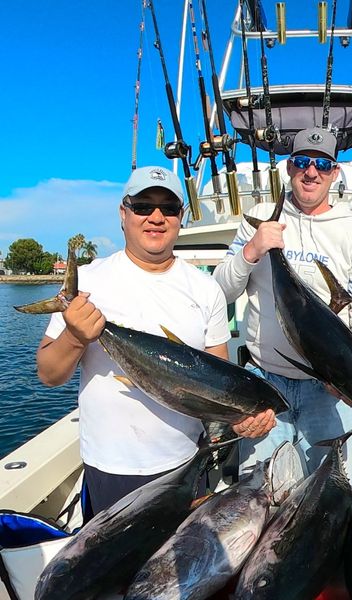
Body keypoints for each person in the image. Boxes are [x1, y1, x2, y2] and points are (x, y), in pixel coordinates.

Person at [36, 166, 276, 515]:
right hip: (111, 467)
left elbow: (221, 381)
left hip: (186, 465)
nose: (156, 217)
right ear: (124, 213)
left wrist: (242, 417)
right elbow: (48, 374)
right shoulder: (89, 282)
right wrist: (75, 336)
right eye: (143, 206)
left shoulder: (205, 288)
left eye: (168, 208)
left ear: (181, 217)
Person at [213, 127, 352, 483]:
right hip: (265, 385)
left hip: (328, 390)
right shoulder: (259, 218)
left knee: (333, 494)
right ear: (289, 167)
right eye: (302, 162)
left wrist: (347, 376)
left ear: (335, 172)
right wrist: (252, 250)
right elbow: (219, 294)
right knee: (261, 495)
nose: (312, 172)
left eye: (322, 164)